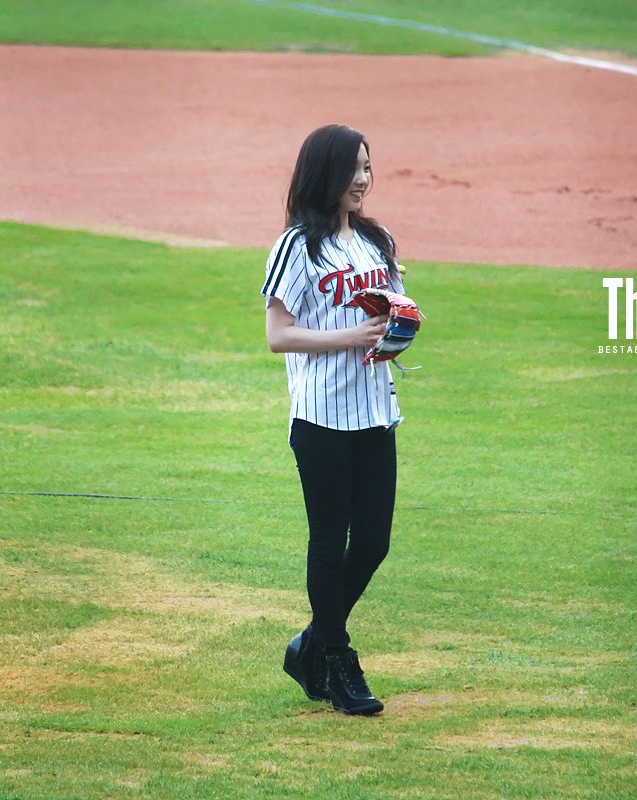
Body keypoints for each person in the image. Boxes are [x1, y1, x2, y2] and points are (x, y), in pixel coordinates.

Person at [263, 124, 408, 715]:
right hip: (322, 417)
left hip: (376, 412)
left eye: (368, 168)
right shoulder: (297, 246)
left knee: (372, 543)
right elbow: (278, 336)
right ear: (325, 173)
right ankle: (339, 658)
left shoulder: (378, 240)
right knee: (329, 542)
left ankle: (311, 646)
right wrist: (352, 336)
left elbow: (390, 314)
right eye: (353, 169)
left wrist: (400, 326)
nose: (363, 180)